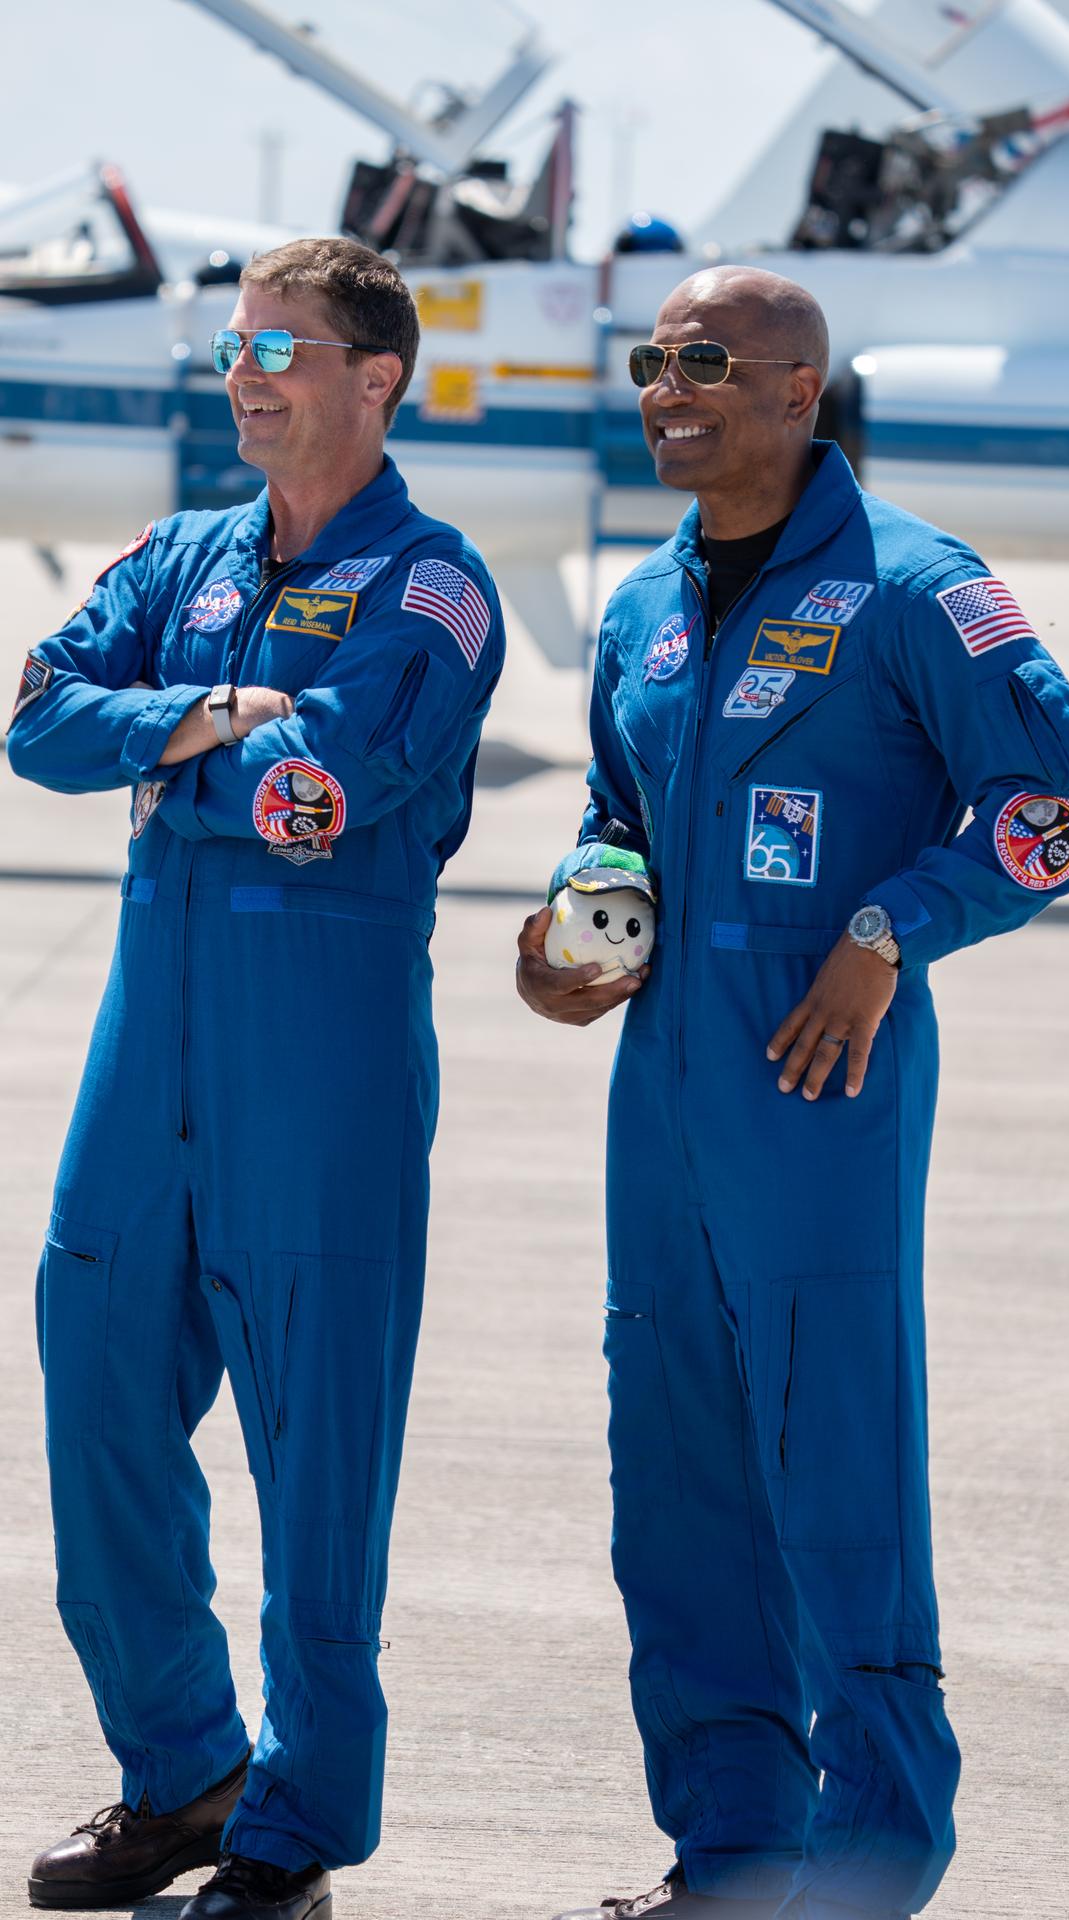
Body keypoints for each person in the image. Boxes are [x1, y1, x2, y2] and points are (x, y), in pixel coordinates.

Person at [517, 264, 1069, 1920]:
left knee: (836, 1474)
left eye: (704, 362)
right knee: (678, 1476)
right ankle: (737, 1857)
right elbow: (617, 810)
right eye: (650, 362)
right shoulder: (643, 608)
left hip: (821, 1091)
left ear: (794, 391)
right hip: (665, 1099)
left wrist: (895, 931)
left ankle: (871, 1863)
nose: (665, 388)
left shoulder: (919, 586)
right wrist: (580, 922)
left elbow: (1053, 801)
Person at [8, 236, 504, 1920]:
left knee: (318, 1463)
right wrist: (214, 708)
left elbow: (326, 790)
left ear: (378, 378)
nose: (247, 373)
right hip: (147, 1066)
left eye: (281, 347)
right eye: (235, 347)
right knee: (92, 1400)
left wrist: (170, 744)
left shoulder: (434, 590)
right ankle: (184, 1769)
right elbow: (35, 717)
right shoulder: (188, 556)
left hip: (325, 1081)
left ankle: (294, 1830)